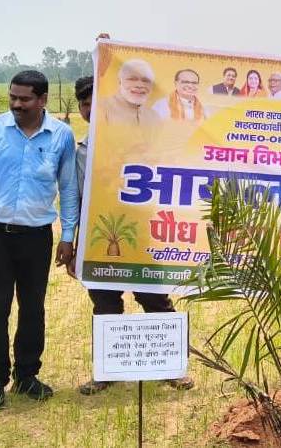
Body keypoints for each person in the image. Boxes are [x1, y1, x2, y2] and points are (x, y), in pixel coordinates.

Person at [0, 70, 79, 412]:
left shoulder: (61, 136)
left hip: (36, 237)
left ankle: (27, 375)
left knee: (32, 308)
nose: (16, 104)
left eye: (25, 99)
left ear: (43, 101)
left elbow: (68, 188)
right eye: (13, 97)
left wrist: (68, 236)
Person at [68, 76, 195, 395]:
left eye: (95, 102)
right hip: (100, 238)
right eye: (84, 104)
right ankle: (106, 371)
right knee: (104, 304)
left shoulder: (141, 138)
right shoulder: (80, 150)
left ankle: (174, 369)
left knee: (154, 299)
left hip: (141, 236)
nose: (89, 109)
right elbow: (76, 199)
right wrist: (75, 246)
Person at [98, 59, 160, 128]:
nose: (139, 85)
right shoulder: (102, 109)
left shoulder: (154, 117)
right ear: (119, 82)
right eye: (132, 79)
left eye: (145, 80)